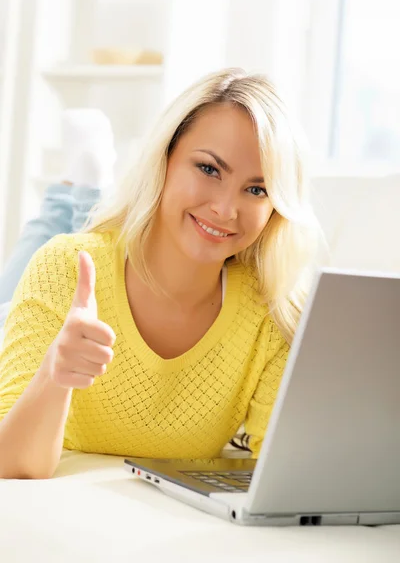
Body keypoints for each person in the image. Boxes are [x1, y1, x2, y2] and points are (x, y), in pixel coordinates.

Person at [0, 68, 322, 480]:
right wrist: (53, 374)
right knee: (52, 240)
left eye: (257, 190)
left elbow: (281, 470)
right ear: (164, 158)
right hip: (45, 302)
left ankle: (86, 187)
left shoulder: (271, 314)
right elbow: (13, 468)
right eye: (209, 169)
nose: (225, 209)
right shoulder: (64, 268)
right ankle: (81, 185)